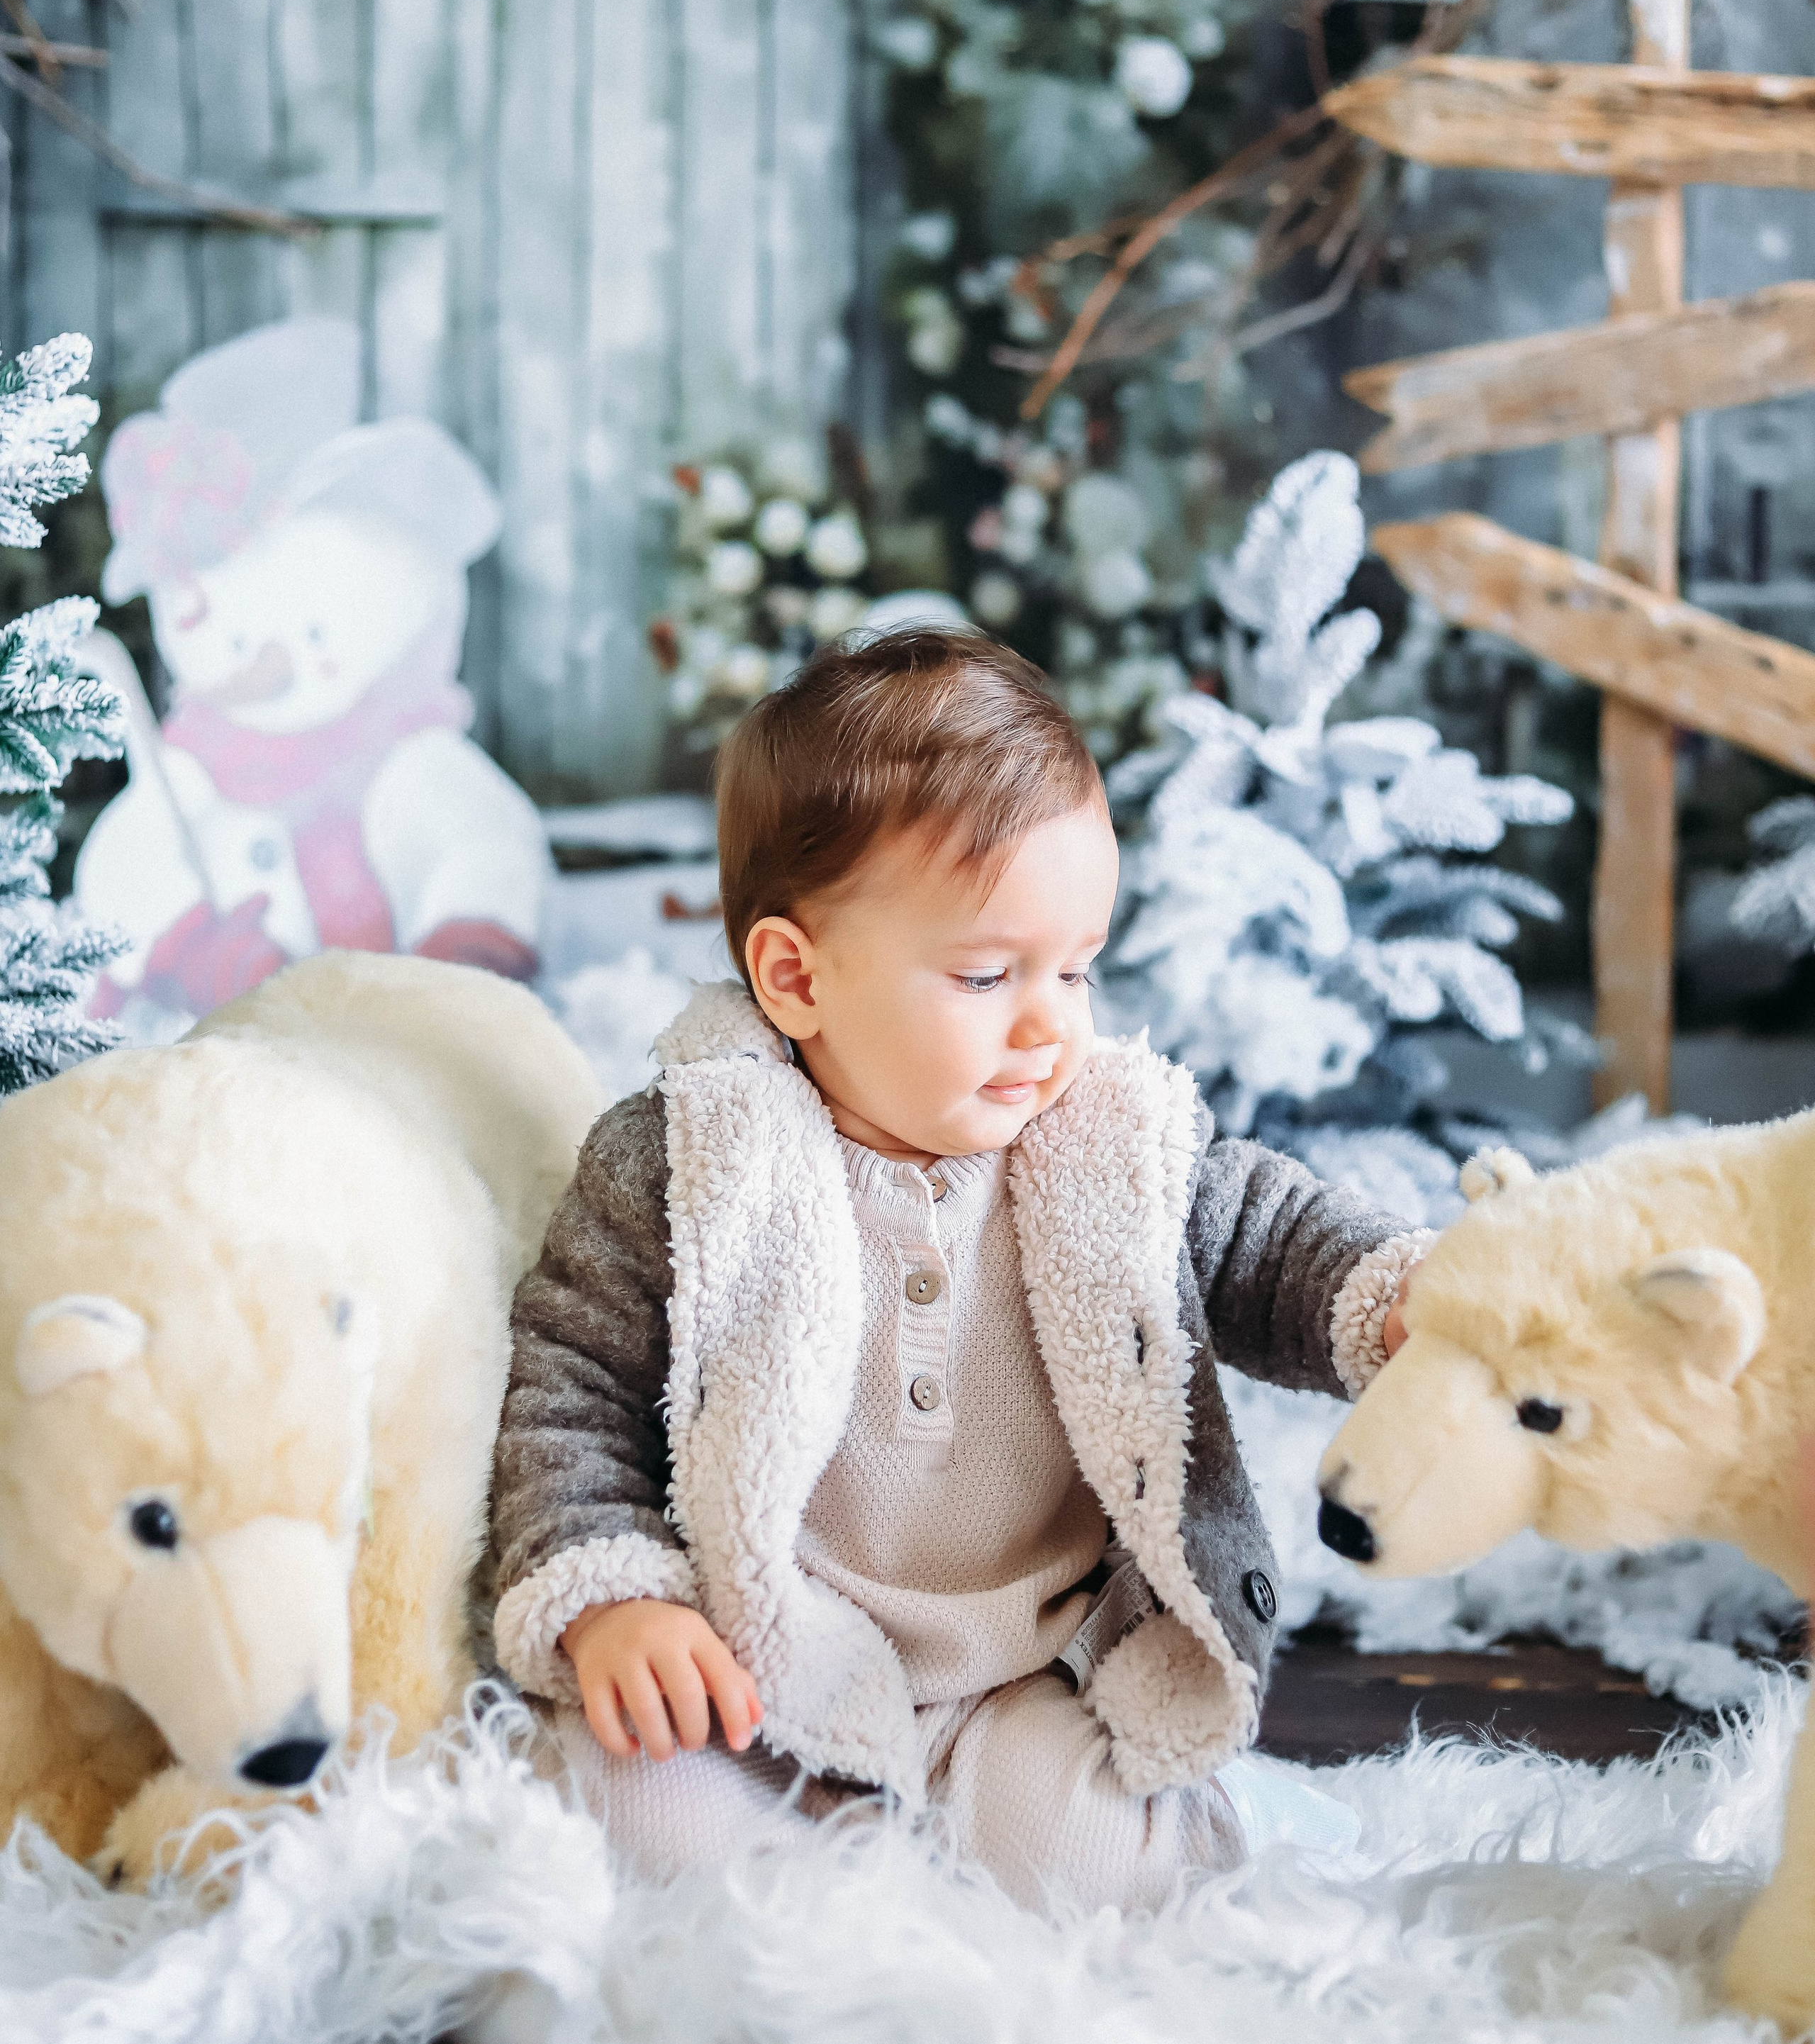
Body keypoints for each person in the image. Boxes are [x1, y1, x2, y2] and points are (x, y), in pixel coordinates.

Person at [488, 630, 1427, 1911]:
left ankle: (1135, 1823)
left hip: (1032, 1673)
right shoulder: (690, 1160)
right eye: (988, 974)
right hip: (777, 1658)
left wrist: (1396, 1300)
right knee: (643, 1820)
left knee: (1097, 1873)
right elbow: (570, 1389)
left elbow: (1265, 1239)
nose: (1051, 1023)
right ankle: (819, 1902)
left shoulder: (1104, 1141)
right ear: (795, 976)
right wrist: (616, 1599)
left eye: (1078, 967)